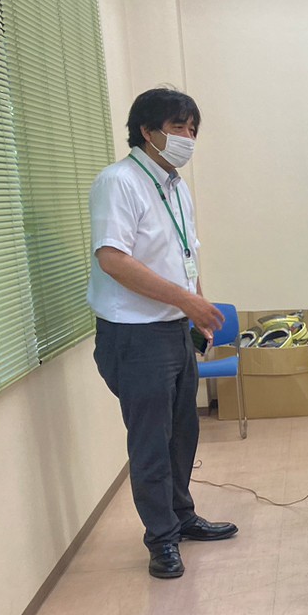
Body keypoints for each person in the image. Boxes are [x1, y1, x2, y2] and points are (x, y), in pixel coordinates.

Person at [88, 87, 237, 580]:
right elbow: (113, 259)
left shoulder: (175, 186)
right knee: (151, 440)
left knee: (182, 432)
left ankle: (182, 515)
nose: (187, 138)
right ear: (147, 131)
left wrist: (199, 307)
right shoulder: (119, 182)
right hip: (135, 334)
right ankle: (161, 539)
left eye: (192, 129)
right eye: (177, 128)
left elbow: (186, 255)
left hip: (173, 327)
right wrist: (186, 301)